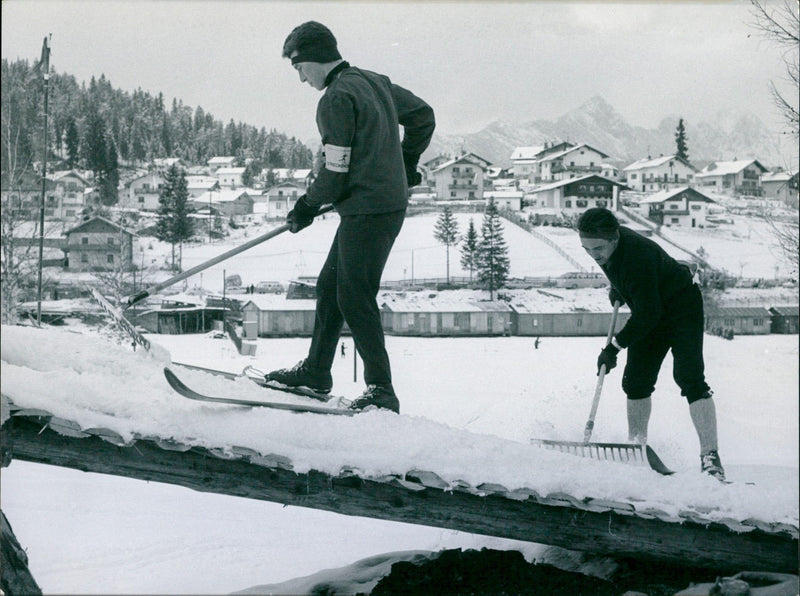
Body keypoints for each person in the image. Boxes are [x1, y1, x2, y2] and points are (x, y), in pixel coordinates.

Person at [265, 21, 435, 414]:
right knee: (330, 287)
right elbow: (423, 116)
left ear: (309, 60)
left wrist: (307, 205)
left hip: (369, 211)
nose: (301, 79)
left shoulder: (335, 98)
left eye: (298, 69)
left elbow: (335, 170)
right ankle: (316, 371)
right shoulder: (373, 81)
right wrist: (406, 161)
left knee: (354, 295)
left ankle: (381, 390)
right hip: (375, 207)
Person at [576, 208, 725, 480]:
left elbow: (648, 314)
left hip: (681, 307)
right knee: (635, 382)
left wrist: (614, 347)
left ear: (615, 238)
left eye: (597, 248)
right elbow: (632, 283)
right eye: (586, 249)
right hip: (651, 306)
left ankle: (710, 456)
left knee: (689, 377)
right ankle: (637, 447)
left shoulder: (637, 256)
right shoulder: (605, 247)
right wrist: (618, 287)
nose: (593, 254)